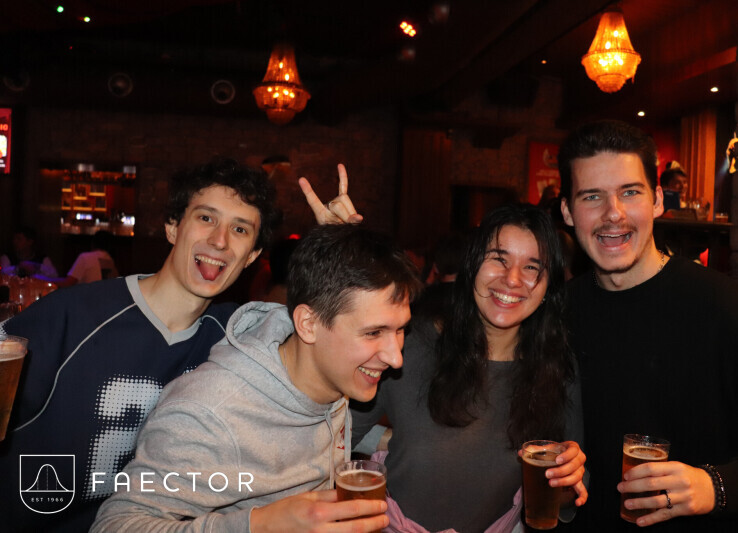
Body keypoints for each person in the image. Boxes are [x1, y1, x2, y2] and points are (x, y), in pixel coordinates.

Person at [0, 159, 357, 531]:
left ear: (252, 255)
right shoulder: (73, 316)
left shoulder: (242, 337)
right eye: (206, 218)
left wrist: (339, 252)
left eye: (240, 229)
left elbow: (336, 336)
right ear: (173, 227)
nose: (219, 240)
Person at [91, 224, 422, 532]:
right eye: (374, 332)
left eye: (400, 330)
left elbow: (306, 419)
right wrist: (258, 525)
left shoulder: (331, 370)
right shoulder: (210, 414)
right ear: (308, 325)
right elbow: (113, 525)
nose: (396, 358)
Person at [557, 120, 738, 531]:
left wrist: (716, 486)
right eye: (591, 196)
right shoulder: (557, 315)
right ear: (567, 211)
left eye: (630, 192)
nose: (613, 213)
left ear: (657, 200)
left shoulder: (733, 312)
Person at [351, 204, 587, 533]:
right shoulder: (410, 346)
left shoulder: (556, 367)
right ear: (473, 263)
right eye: (499, 259)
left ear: (548, 286)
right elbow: (333, 435)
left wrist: (566, 480)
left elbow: (568, 496)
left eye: (532, 267)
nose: (512, 279)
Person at [35, 230, 119, 287]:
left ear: (92, 243)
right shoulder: (110, 260)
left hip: (88, 302)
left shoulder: (86, 257)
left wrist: (41, 279)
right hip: (103, 303)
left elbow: (68, 283)